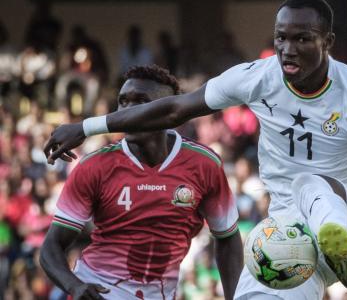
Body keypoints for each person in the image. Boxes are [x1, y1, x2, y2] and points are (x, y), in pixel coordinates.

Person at [44, 0, 347, 299]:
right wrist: (88, 125)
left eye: (302, 39)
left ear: (328, 41)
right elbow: (174, 110)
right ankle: (326, 251)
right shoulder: (257, 77)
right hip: (290, 237)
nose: (288, 49)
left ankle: (335, 237)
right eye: (281, 39)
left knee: (308, 183)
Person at [40, 65, 243, 300]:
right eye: (123, 101)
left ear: (169, 111)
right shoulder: (94, 166)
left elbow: (227, 238)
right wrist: (75, 286)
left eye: (141, 101)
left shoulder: (204, 164)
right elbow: (51, 247)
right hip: (99, 291)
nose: (128, 111)